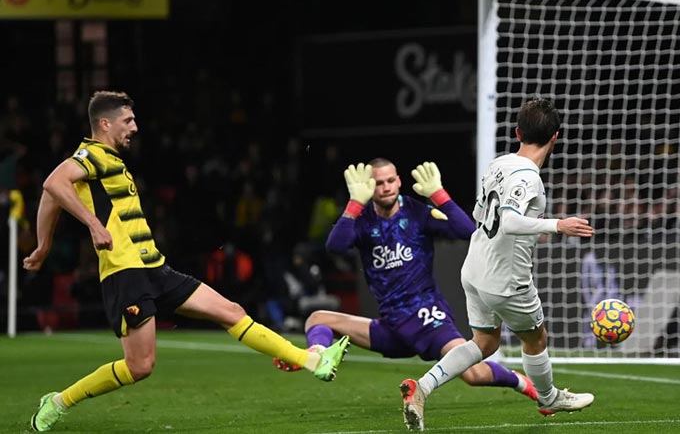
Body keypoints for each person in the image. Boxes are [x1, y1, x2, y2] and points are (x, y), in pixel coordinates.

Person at [23, 91, 350, 432]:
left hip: (155, 268)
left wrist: (44, 245)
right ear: (104, 123)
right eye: (128, 121)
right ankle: (59, 402)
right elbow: (53, 183)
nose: (135, 126)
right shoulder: (91, 154)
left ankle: (313, 360)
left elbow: (51, 195)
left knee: (232, 312)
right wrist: (91, 224)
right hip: (125, 273)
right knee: (140, 366)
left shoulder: (110, 160)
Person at [272, 158, 538, 405]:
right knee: (317, 319)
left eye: (390, 181)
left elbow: (467, 230)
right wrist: (354, 203)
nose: (386, 187)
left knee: (473, 375)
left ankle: (522, 382)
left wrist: (438, 194)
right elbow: (335, 246)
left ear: (399, 181)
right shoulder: (363, 221)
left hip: (426, 318)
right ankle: (316, 355)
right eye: (378, 183)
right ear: (368, 187)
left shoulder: (416, 212)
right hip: (392, 326)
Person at [399, 97, 595, 430]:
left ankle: (422, 388)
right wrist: (557, 225)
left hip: (475, 268)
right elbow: (509, 222)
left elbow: (482, 216)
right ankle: (548, 399)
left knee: (484, 343)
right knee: (536, 339)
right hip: (506, 279)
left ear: (518, 132)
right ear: (555, 137)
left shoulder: (499, 164)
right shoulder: (529, 177)